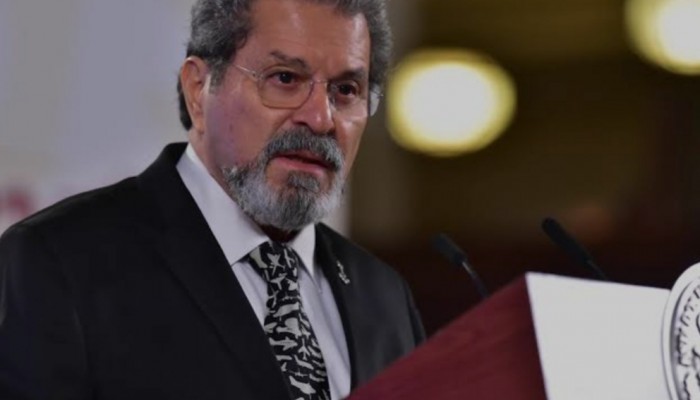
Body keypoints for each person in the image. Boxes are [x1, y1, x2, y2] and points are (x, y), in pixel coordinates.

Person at [0, 0, 425, 399]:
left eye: (346, 90)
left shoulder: (385, 297)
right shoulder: (60, 261)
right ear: (198, 89)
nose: (320, 118)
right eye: (285, 79)